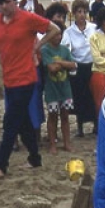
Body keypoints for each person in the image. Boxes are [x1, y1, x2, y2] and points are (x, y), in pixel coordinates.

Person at [0, 0, 61, 179]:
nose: (4, 7)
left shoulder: (27, 18)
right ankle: (35, 158)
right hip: (9, 78)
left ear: (15, 1)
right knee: (23, 122)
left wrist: (37, 45)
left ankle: (1, 164)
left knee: (11, 121)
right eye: (0, 3)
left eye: (7, 2)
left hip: (25, 78)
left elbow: (54, 29)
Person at [61, 0, 97, 138]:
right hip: (78, 67)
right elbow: (66, 50)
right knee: (79, 98)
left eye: (84, 11)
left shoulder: (93, 28)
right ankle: (80, 127)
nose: (82, 14)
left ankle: (95, 125)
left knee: (92, 96)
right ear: (74, 14)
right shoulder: (69, 32)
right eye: (79, 12)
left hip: (92, 65)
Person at [41, 20, 76, 155]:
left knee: (66, 117)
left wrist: (59, 62)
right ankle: (52, 144)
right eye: (55, 35)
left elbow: (73, 65)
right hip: (52, 90)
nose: (58, 37)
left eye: (59, 34)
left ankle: (67, 143)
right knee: (53, 116)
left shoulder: (64, 49)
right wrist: (65, 64)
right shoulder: (45, 50)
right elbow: (51, 68)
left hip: (65, 88)